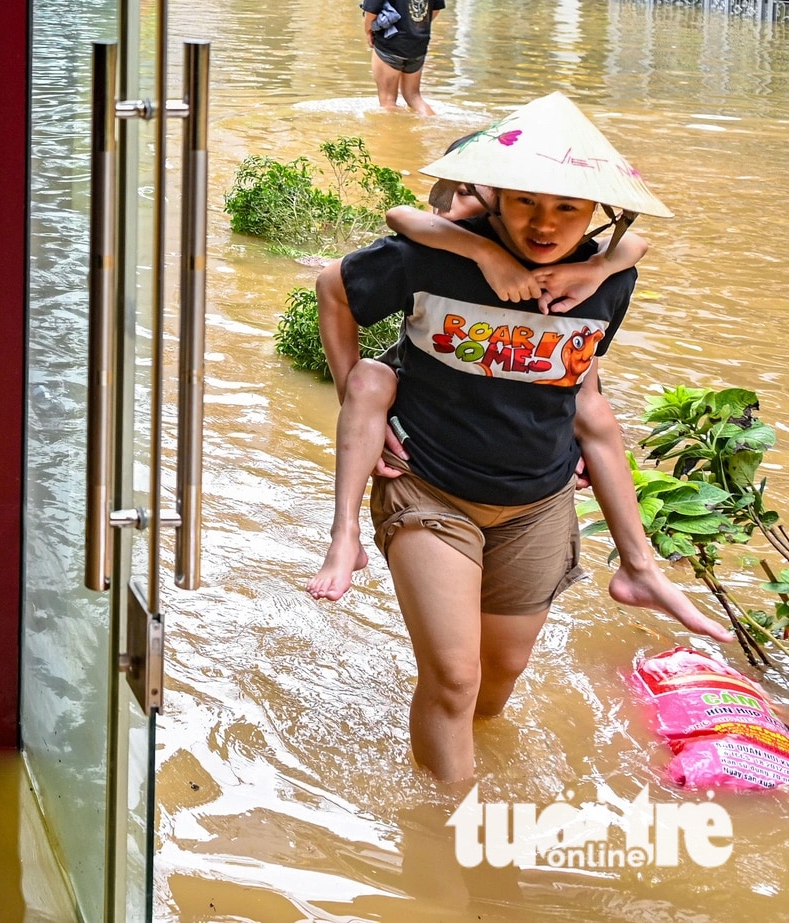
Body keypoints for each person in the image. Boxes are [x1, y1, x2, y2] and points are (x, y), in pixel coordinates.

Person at [306, 93, 727, 784]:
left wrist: (633, 547)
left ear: (598, 212)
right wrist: (362, 399)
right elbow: (336, 289)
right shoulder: (433, 256)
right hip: (428, 485)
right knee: (453, 677)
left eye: (568, 208)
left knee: (499, 677)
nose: (545, 223)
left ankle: (452, 756)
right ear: (494, 194)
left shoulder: (606, 281)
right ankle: (452, 856)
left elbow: (582, 387)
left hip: (537, 500)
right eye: (527, 201)